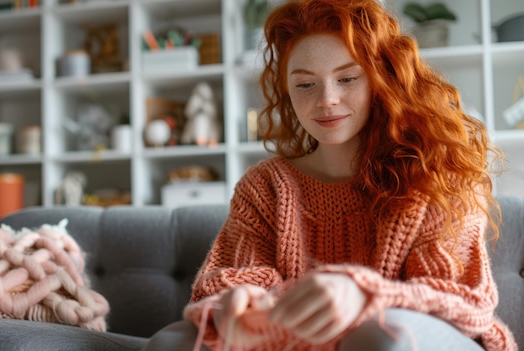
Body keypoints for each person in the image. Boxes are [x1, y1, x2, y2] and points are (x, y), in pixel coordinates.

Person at [143, 0, 517, 350]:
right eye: (305, 84)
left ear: (381, 79)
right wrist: (235, 302)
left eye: (348, 79)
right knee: (172, 340)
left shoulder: (436, 172)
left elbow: (465, 301)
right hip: (297, 341)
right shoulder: (266, 187)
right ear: (287, 90)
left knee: (378, 334)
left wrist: (365, 296)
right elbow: (227, 280)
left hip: (424, 338)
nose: (326, 100)